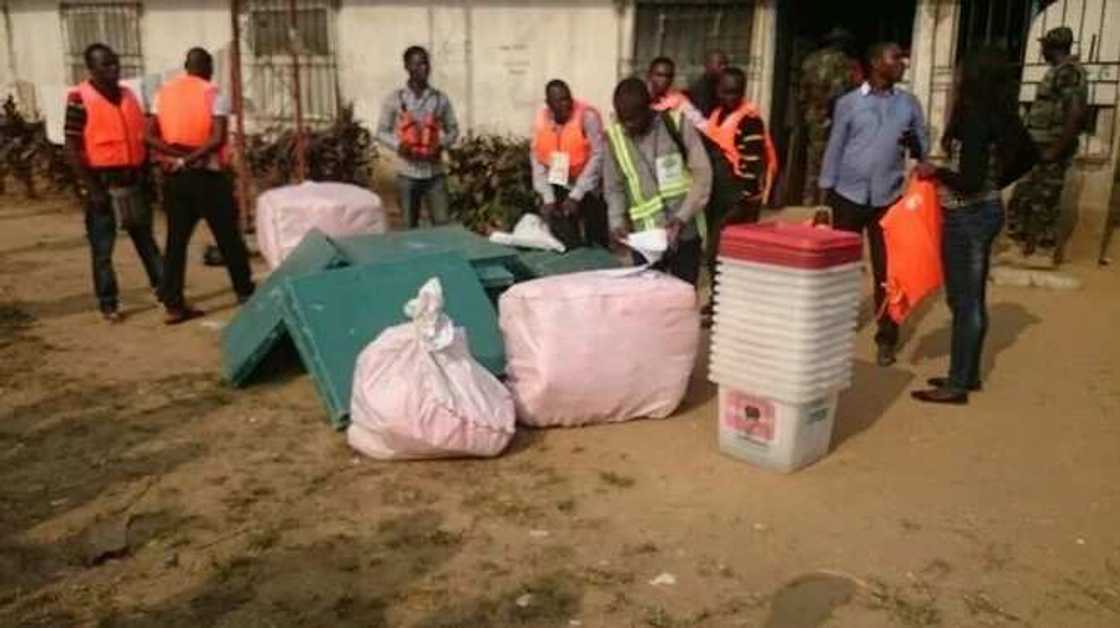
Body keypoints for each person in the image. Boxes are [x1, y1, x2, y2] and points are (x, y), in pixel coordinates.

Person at [912, 48, 1037, 404]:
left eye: (961, 72)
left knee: (966, 301)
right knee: (964, 297)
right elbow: (1029, 154)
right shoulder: (1000, 114)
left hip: (969, 216)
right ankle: (964, 375)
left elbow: (967, 180)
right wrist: (997, 183)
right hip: (980, 211)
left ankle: (959, 384)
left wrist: (934, 172)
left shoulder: (975, 118)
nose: (955, 78)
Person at [819, 42, 934, 367]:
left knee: (889, 273)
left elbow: (922, 149)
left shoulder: (909, 104)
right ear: (874, 62)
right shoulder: (849, 103)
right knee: (840, 268)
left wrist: (918, 148)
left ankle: (887, 336)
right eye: (895, 57)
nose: (903, 63)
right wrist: (825, 195)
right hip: (847, 196)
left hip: (889, 199)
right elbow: (835, 148)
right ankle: (833, 329)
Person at [146, 47, 255, 325]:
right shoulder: (213, 93)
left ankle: (173, 303)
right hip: (207, 175)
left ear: (186, 66)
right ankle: (245, 293)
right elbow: (217, 137)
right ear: (208, 68)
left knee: (176, 241)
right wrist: (191, 157)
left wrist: (175, 156)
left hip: (176, 178)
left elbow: (146, 136)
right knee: (228, 237)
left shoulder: (163, 93)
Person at [64, 43, 163, 324]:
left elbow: (140, 138)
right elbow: (71, 148)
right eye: (105, 65)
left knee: (147, 242)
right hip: (102, 185)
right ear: (91, 69)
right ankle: (109, 303)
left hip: (134, 181)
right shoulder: (79, 98)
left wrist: (148, 177)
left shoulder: (129, 95)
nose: (113, 69)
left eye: (115, 63)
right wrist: (93, 189)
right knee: (103, 250)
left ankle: (164, 289)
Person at [603, 78, 712, 286]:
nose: (628, 126)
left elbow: (702, 174)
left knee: (683, 295)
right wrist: (616, 222)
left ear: (648, 108)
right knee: (648, 300)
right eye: (623, 119)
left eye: (634, 119)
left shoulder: (677, 125)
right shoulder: (614, 138)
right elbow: (613, 187)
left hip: (684, 232)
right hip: (645, 240)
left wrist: (681, 217)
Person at [700, 67, 778, 320]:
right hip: (717, 194)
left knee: (723, 255)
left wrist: (742, 200)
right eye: (725, 91)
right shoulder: (717, 113)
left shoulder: (750, 121)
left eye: (735, 92)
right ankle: (719, 300)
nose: (729, 97)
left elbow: (753, 163)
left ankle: (728, 306)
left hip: (738, 198)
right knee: (716, 255)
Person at [1007, 26, 1088, 263]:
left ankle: (1043, 250)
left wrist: (1056, 149)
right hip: (1038, 149)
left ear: (1053, 48)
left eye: (1043, 46)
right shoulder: (1058, 71)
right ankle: (1021, 246)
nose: (1041, 50)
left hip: (1050, 149)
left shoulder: (1068, 73)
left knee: (1045, 199)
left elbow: (1075, 113)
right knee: (1025, 196)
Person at [376, 46, 460, 228]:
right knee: (408, 226)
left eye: (426, 63)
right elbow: (381, 131)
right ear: (407, 67)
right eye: (418, 63)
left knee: (442, 224)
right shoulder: (395, 99)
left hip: (434, 173)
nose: (424, 68)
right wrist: (399, 145)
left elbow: (453, 129)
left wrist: (440, 144)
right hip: (407, 173)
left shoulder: (440, 99)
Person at [529, 79, 608, 249]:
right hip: (560, 181)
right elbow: (537, 159)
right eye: (559, 100)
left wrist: (577, 195)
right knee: (565, 237)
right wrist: (547, 198)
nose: (566, 104)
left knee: (596, 238)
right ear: (549, 104)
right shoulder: (542, 119)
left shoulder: (588, 117)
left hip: (589, 186)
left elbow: (598, 155)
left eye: (567, 98)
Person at [799, 28, 860, 206]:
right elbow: (841, 91)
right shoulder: (844, 62)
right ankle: (826, 201)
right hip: (834, 115)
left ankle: (808, 199)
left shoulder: (810, 60)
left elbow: (802, 93)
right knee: (834, 157)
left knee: (813, 157)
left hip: (813, 114)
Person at [647, 57, 706, 130]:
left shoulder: (678, 100)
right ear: (649, 75)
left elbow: (701, 124)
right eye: (659, 75)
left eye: (668, 76)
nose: (664, 80)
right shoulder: (638, 96)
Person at [686, 50, 729, 118]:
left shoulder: (721, 83)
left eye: (726, 64)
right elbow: (704, 115)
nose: (724, 67)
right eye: (720, 64)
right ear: (708, 65)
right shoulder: (701, 88)